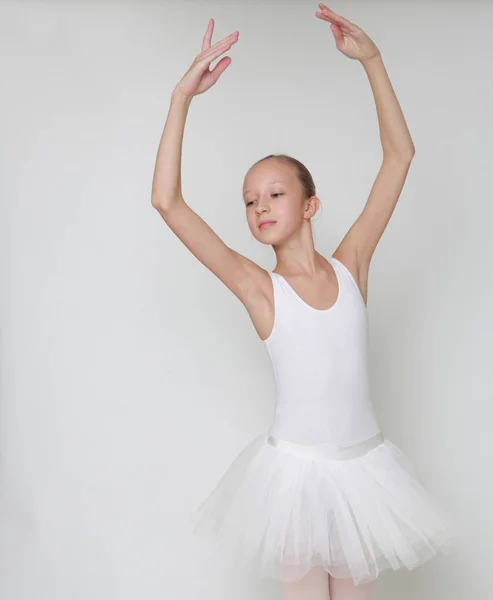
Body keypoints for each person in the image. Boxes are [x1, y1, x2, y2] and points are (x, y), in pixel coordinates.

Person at [151, 4, 456, 599]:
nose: (259, 207)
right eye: (248, 200)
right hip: (296, 478)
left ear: (310, 205)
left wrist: (373, 62)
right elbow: (168, 202)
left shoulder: (352, 267)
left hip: (365, 470)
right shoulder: (258, 289)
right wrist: (179, 100)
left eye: (274, 193)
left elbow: (399, 158)